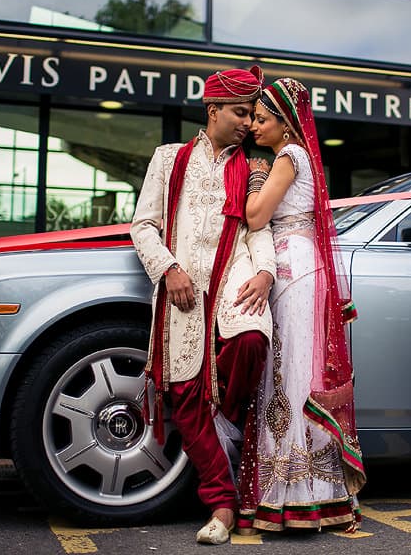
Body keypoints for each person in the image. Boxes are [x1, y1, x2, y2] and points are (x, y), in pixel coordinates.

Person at [130, 65, 276, 545]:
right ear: (212, 111)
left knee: (252, 339)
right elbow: (143, 225)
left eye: (252, 114)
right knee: (187, 397)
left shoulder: (253, 167)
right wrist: (168, 270)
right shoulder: (168, 158)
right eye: (239, 112)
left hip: (235, 272)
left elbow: (258, 228)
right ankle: (222, 505)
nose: (246, 123)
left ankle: (226, 423)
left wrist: (265, 272)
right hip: (185, 286)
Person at [235, 77, 366, 533]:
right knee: (288, 373)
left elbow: (255, 215)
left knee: (290, 375)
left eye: (262, 118)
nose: (253, 125)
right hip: (296, 266)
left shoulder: (288, 158)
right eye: (252, 117)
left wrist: (254, 176)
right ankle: (300, 493)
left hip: (294, 269)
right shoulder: (293, 157)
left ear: (286, 124)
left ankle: (298, 495)